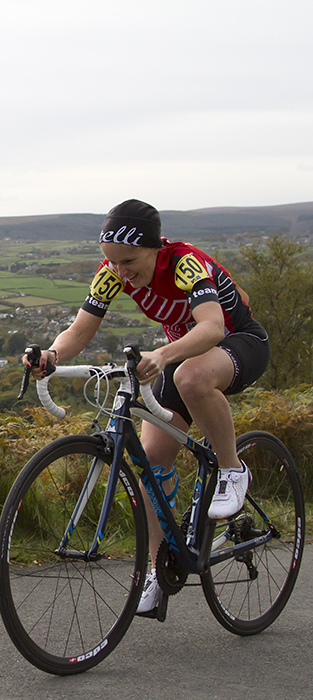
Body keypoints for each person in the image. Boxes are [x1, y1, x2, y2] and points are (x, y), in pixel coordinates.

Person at [24, 198, 270, 615]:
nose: (121, 272)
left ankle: (232, 468)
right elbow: (80, 330)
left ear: (155, 247)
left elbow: (212, 326)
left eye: (129, 261)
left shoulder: (185, 264)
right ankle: (159, 569)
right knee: (152, 463)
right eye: (112, 263)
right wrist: (52, 355)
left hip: (238, 341)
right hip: (183, 353)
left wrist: (164, 353)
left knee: (189, 377)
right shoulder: (112, 273)